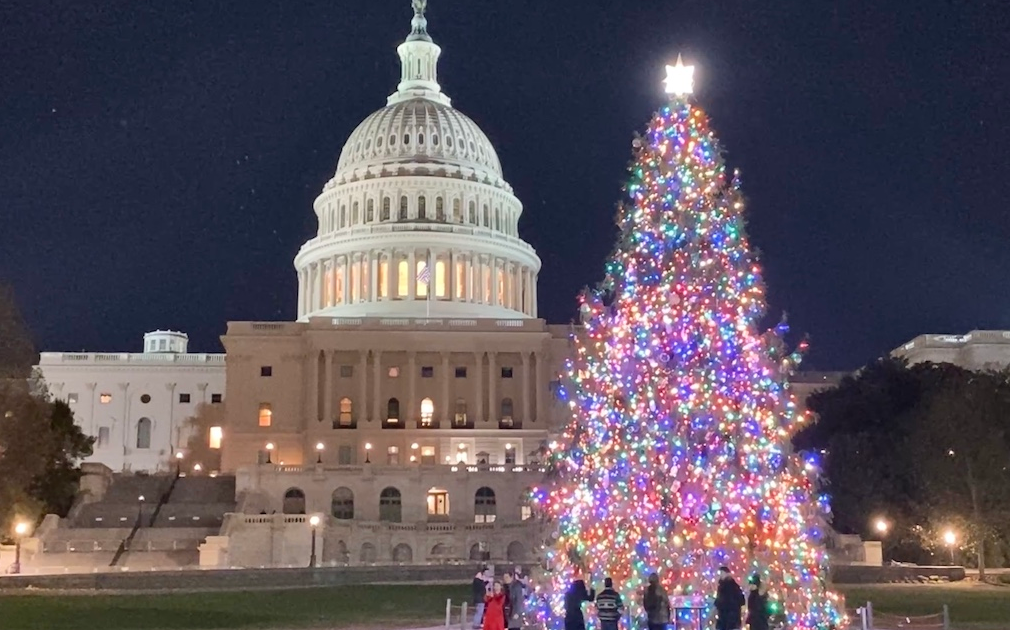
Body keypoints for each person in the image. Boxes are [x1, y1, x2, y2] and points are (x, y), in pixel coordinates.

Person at [714, 566, 745, 630]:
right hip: (725, 617)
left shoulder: (731, 586)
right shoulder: (723, 586)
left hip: (729, 617)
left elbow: (737, 600)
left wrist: (719, 603)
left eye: (722, 573)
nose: (720, 575)